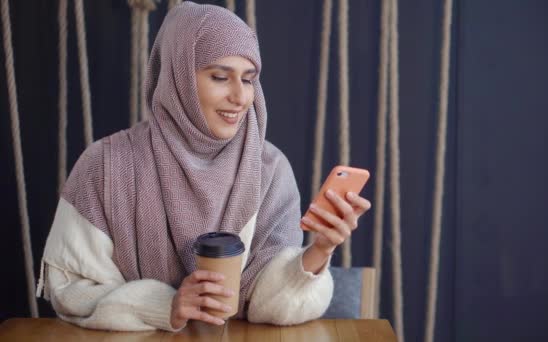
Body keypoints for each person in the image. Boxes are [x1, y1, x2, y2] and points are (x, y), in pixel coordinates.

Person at [36, 2, 371, 332]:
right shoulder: (106, 166)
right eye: (221, 77)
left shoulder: (268, 169)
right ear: (177, 76)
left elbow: (266, 301)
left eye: (249, 79)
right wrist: (164, 306)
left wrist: (319, 251)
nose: (241, 97)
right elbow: (71, 290)